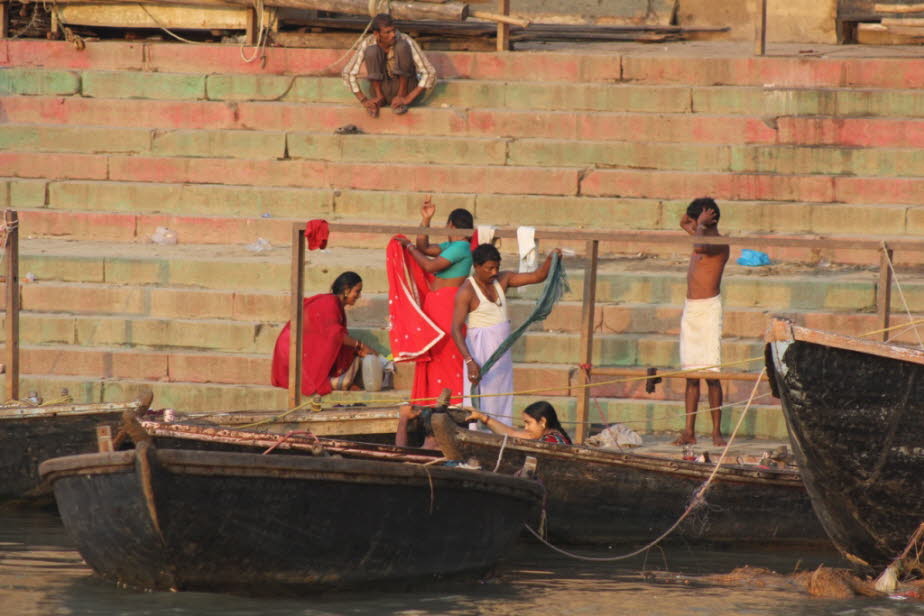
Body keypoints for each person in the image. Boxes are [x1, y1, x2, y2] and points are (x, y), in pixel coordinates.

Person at [451, 243, 562, 426]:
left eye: (497, 267)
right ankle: (477, 435)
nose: (494, 272)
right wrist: (470, 362)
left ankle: (502, 433)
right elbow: (455, 329)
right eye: (489, 268)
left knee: (502, 398)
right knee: (480, 398)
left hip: (501, 354)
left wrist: (551, 258)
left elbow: (538, 276)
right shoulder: (466, 292)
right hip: (479, 354)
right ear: (477, 267)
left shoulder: (504, 279)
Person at [393, 199, 474, 405]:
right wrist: (426, 219)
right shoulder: (454, 246)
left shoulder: (461, 247)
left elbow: (430, 266)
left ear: (451, 226)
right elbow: (425, 247)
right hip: (438, 303)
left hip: (447, 305)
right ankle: (432, 402)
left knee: (446, 354)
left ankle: (452, 403)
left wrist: (409, 247)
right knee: (434, 354)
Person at [674, 197, 730, 447]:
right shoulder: (699, 233)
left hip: (708, 311)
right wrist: (697, 219)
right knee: (691, 375)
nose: (693, 225)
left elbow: (698, 245)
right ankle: (689, 431)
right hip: (691, 310)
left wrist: (703, 225)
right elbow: (682, 221)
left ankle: (716, 431)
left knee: (711, 374)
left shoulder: (718, 243)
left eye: (699, 222)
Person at [270, 271, 375, 395]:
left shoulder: (334, 303)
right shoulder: (330, 302)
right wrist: (360, 345)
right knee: (349, 347)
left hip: (300, 347)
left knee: (349, 349)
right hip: (291, 349)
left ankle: (339, 380)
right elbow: (335, 335)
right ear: (346, 290)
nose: (359, 296)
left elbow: (335, 336)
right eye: (357, 291)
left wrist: (357, 348)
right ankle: (334, 382)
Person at [341, 13, 436, 118]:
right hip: (382, 89)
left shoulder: (405, 40)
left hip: (407, 88)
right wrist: (363, 100)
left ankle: (401, 96)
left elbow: (429, 72)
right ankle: (379, 98)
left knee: (402, 46)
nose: (393, 35)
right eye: (388, 32)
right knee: (372, 51)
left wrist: (408, 98)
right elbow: (347, 73)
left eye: (393, 30)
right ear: (377, 34)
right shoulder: (368, 42)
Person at [466, 401, 572, 445]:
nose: (526, 428)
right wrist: (482, 417)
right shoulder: (542, 437)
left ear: (543, 421)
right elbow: (511, 434)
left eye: (528, 423)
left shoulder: (551, 441)